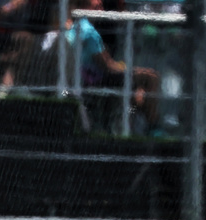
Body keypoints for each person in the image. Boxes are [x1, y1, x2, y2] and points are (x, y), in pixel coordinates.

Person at [64, 0, 159, 128]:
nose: (102, 10)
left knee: (139, 90)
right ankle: (153, 125)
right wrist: (126, 68)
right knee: (150, 77)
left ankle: (136, 119)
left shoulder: (75, 27)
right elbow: (107, 66)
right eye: (98, 6)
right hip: (96, 80)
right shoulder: (90, 33)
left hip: (86, 77)